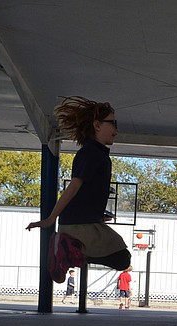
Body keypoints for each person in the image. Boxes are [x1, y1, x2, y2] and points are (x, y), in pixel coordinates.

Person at [26, 96, 131, 283]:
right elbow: (73, 187)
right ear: (97, 125)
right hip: (78, 224)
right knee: (123, 259)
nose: (116, 130)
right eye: (113, 123)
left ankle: (71, 250)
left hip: (85, 221)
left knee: (122, 257)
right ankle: (67, 248)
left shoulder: (96, 154)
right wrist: (51, 219)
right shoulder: (91, 153)